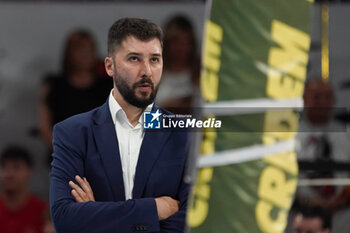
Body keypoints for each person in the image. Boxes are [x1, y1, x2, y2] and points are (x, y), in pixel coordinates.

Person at [50, 18, 190, 233]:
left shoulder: (185, 133)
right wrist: (153, 208)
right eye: (134, 59)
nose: (147, 71)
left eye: (154, 59)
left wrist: (96, 213)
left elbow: (191, 222)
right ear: (109, 66)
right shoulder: (72, 133)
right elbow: (65, 219)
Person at [39, 30, 112, 153]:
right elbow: (45, 126)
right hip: (63, 157)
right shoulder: (54, 85)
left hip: (101, 157)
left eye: (90, 49)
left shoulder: (108, 85)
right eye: (80, 49)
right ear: (69, 53)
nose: (85, 54)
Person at [0, 145, 51, 233]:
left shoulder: (42, 212)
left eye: (16, 167)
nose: (9, 174)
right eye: (4, 167)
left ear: (29, 171)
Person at [155, 15, 200, 113]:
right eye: (176, 42)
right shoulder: (154, 73)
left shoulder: (201, 73)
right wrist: (165, 109)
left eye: (186, 43)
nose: (181, 49)